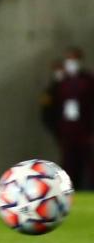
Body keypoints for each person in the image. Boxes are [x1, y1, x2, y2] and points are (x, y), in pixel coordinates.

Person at [48, 47, 94, 189]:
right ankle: (68, 189)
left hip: (85, 129)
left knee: (89, 162)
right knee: (69, 163)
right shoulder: (60, 82)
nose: (72, 62)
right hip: (66, 129)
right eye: (69, 59)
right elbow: (50, 107)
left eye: (75, 59)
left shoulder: (88, 80)